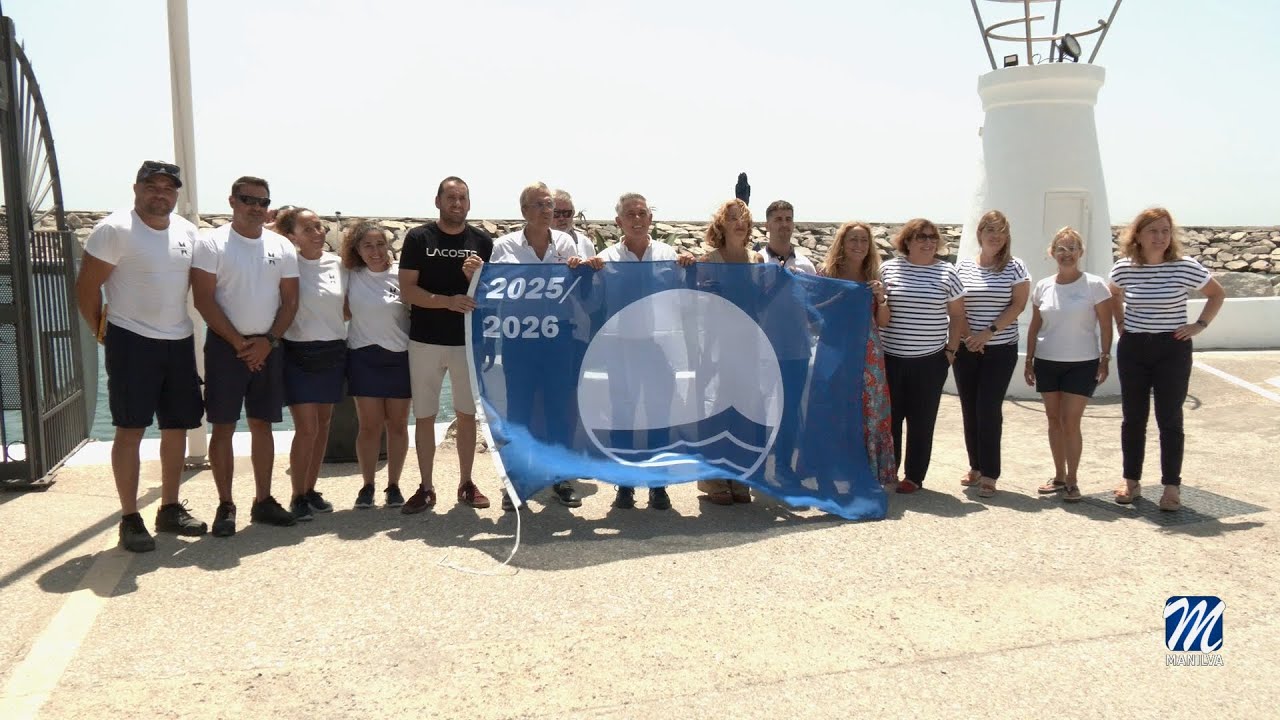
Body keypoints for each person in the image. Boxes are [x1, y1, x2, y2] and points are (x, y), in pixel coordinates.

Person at [74, 161, 207, 552]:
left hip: (179, 339)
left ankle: (169, 507)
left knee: (177, 426)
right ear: (136, 189)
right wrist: (104, 333)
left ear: (176, 194)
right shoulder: (115, 230)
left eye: (168, 188)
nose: (160, 194)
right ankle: (130, 517)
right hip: (131, 340)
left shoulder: (187, 231)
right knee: (130, 429)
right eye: (152, 186)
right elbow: (86, 289)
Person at [191, 176, 300, 536]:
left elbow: (291, 301)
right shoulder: (211, 244)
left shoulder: (282, 246)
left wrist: (268, 340)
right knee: (222, 426)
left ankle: (264, 500)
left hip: (268, 346)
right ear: (232, 201)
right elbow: (204, 300)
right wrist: (239, 343)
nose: (255, 207)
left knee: (262, 425)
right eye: (247, 199)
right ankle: (226, 504)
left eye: (262, 201)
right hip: (226, 348)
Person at [487, 182, 595, 511]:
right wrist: (488, 338)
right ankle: (515, 480)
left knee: (557, 410)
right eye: (540, 205)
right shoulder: (503, 247)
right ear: (524, 212)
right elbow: (489, 293)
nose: (547, 210)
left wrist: (587, 272)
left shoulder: (566, 243)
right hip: (519, 338)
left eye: (550, 204)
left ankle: (558, 478)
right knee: (518, 412)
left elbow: (585, 295)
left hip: (559, 338)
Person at [1108, 208, 1225, 511]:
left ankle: (1171, 487)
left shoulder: (1185, 267)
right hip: (1134, 348)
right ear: (1138, 236)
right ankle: (1131, 481)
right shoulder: (1124, 268)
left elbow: (1216, 294)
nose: (1160, 237)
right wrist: (1121, 325)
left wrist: (1199, 325)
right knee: (1133, 417)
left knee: (1169, 418)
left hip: (1171, 348)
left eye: (1165, 231)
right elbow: (1113, 296)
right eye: (1153, 231)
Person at [398, 176, 494, 513]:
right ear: (437, 201)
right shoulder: (418, 238)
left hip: (466, 343)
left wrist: (475, 280)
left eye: (463, 198)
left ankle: (466, 483)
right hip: (424, 341)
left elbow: (492, 295)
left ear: (469, 203)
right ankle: (425, 487)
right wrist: (446, 302)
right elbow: (408, 290)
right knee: (424, 415)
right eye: (450, 197)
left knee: (467, 415)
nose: (457, 203)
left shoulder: (482, 241)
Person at [595, 192, 695, 510]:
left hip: (658, 349)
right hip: (620, 347)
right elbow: (588, 299)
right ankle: (624, 485)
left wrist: (690, 266)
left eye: (642, 213)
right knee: (622, 417)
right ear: (618, 221)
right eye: (630, 214)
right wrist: (583, 271)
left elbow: (690, 296)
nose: (637, 219)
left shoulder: (668, 254)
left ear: (650, 218)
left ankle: (658, 485)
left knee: (659, 418)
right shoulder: (607, 259)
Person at [879, 219, 968, 494]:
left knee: (922, 421)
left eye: (932, 237)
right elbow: (878, 305)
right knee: (891, 419)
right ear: (907, 241)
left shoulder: (947, 272)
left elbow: (957, 315)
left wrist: (950, 353)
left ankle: (915, 476)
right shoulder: (888, 268)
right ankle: (889, 471)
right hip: (891, 357)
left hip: (930, 361)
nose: (929, 242)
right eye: (921, 237)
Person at [1024, 227, 1113, 502]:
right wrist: (1029, 360)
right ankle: (1059, 476)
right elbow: (1035, 325)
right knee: (1053, 420)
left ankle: (1073, 479)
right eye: (1061, 249)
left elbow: (1106, 325)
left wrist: (1104, 357)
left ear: (1081, 252)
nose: (1066, 254)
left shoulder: (1095, 285)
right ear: (1052, 253)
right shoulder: (1043, 286)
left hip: (1082, 363)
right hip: (1047, 361)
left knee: (1070, 421)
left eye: (1072, 248)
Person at [276, 207, 348, 521]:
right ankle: (296, 495)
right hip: (298, 353)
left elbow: (346, 309)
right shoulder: (284, 265)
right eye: (308, 229)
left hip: (333, 351)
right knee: (306, 429)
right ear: (291, 236)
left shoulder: (338, 264)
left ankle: (310, 489)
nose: (318, 233)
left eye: (319, 227)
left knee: (323, 427)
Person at [953, 210, 1030, 498]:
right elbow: (957, 306)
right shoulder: (963, 267)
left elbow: (1019, 305)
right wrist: (970, 336)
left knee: (988, 409)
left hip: (1000, 348)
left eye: (1001, 230)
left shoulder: (1016, 266)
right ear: (980, 233)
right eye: (990, 230)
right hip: (967, 345)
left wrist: (988, 333)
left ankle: (990, 473)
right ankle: (975, 465)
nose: (995, 236)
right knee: (970, 408)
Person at [694, 199, 763, 505]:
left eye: (743, 218)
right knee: (715, 414)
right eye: (732, 218)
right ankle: (713, 481)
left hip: (749, 348)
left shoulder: (757, 261)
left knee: (745, 414)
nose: (739, 223)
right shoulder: (708, 260)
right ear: (721, 224)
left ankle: (739, 478)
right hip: (716, 348)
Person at [817, 221, 895, 487]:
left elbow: (883, 321)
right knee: (836, 408)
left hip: (868, 351)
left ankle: (868, 469)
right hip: (835, 348)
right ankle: (835, 469)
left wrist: (881, 298)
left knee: (869, 409)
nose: (859, 245)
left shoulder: (874, 277)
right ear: (842, 243)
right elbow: (814, 315)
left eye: (864, 240)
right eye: (853, 240)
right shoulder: (826, 274)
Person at [342, 221, 413, 510]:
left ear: (388, 245)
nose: (375, 251)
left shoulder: (402, 275)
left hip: (400, 357)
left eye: (380, 244)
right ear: (357, 250)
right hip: (363, 357)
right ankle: (368, 485)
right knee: (369, 427)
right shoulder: (349, 275)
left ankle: (394, 485)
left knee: (397, 426)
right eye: (367, 245)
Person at [759, 200, 817, 274]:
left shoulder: (806, 267)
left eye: (788, 219)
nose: (784, 224)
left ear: (793, 225)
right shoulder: (758, 264)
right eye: (778, 219)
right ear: (767, 226)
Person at [551, 189, 597, 260]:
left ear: (573, 214)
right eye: (556, 213)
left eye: (566, 213)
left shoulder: (585, 243)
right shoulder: (537, 243)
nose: (562, 218)